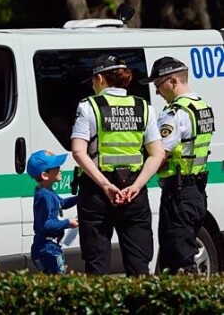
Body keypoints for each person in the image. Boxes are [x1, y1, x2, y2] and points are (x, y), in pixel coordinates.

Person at [71, 54, 164, 275]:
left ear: (101, 79)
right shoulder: (144, 107)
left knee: (97, 263)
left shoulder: (88, 106)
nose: (93, 85)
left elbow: (78, 151)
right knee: (139, 264)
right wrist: (137, 187)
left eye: (93, 80)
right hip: (134, 192)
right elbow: (157, 153)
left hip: (98, 191)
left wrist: (105, 186)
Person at [139, 57, 214, 273]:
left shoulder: (175, 113)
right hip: (198, 192)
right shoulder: (201, 107)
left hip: (178, 193)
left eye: (158, 85)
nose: (157, 92)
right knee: (185, 250)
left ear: (172, 81)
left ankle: (188, 303)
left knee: (178, 258)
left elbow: (160, 153)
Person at [27, 150, 78, 274]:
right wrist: (68, 222)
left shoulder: (46, 191)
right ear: (45, 175)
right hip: (47, 248)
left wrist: (80, 198)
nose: (60, 169)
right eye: (56, 167)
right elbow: (47, 224)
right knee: (60, 285)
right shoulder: (45, 196)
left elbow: (62, 203)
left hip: (44, 247)